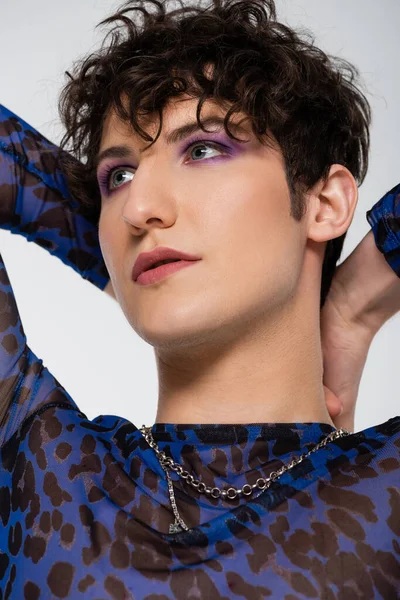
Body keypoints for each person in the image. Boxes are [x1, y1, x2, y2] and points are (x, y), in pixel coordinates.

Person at [0, 0, 399, 598]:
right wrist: (121, 264)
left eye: (204, 150)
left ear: (325, 204)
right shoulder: (42, 468)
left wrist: (352, 307)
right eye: (118, 176)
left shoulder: (386, 492)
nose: (138, 209)